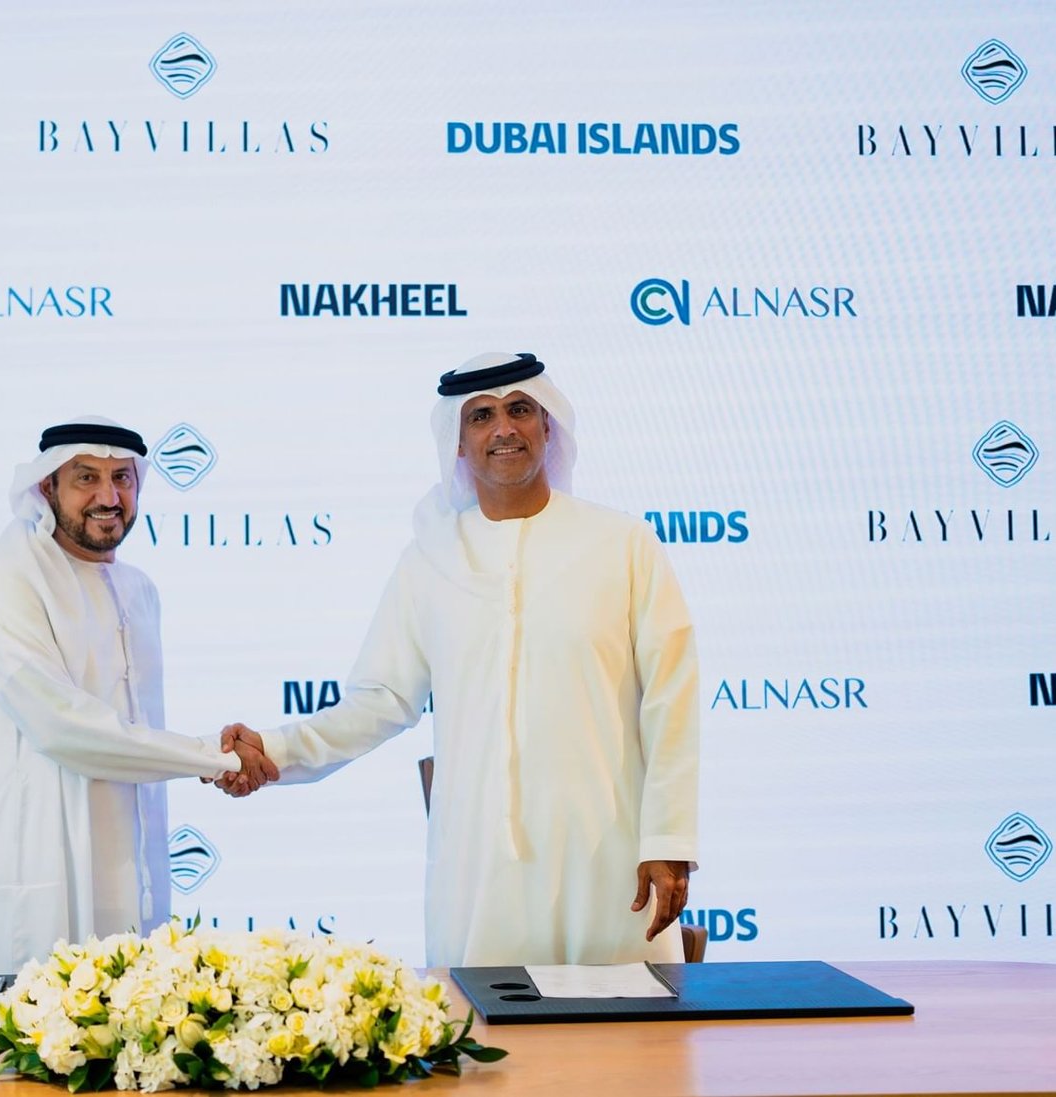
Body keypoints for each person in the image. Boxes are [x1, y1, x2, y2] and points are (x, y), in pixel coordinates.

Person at [220, 354, 699, 967]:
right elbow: (380, 701)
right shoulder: (430, 559)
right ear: (458, 441)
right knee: (484, 1023)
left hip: (609, 856)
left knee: (626, 1024)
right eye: (481, 416)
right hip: (479, 868)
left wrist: (668, 837)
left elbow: (671, 698)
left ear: (547, 426)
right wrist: (276, 749)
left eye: (519, 410)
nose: (504, 429)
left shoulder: (622, 544)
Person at [0, 417, 278, 975]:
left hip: (129, 864)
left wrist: (215, 757)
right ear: (47, 486)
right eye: (86, 478)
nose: (108, 497)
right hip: (36, 870)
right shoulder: (4, 582)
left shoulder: (138, 589)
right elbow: (64, 728)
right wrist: (216, 757)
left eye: (122, 478)